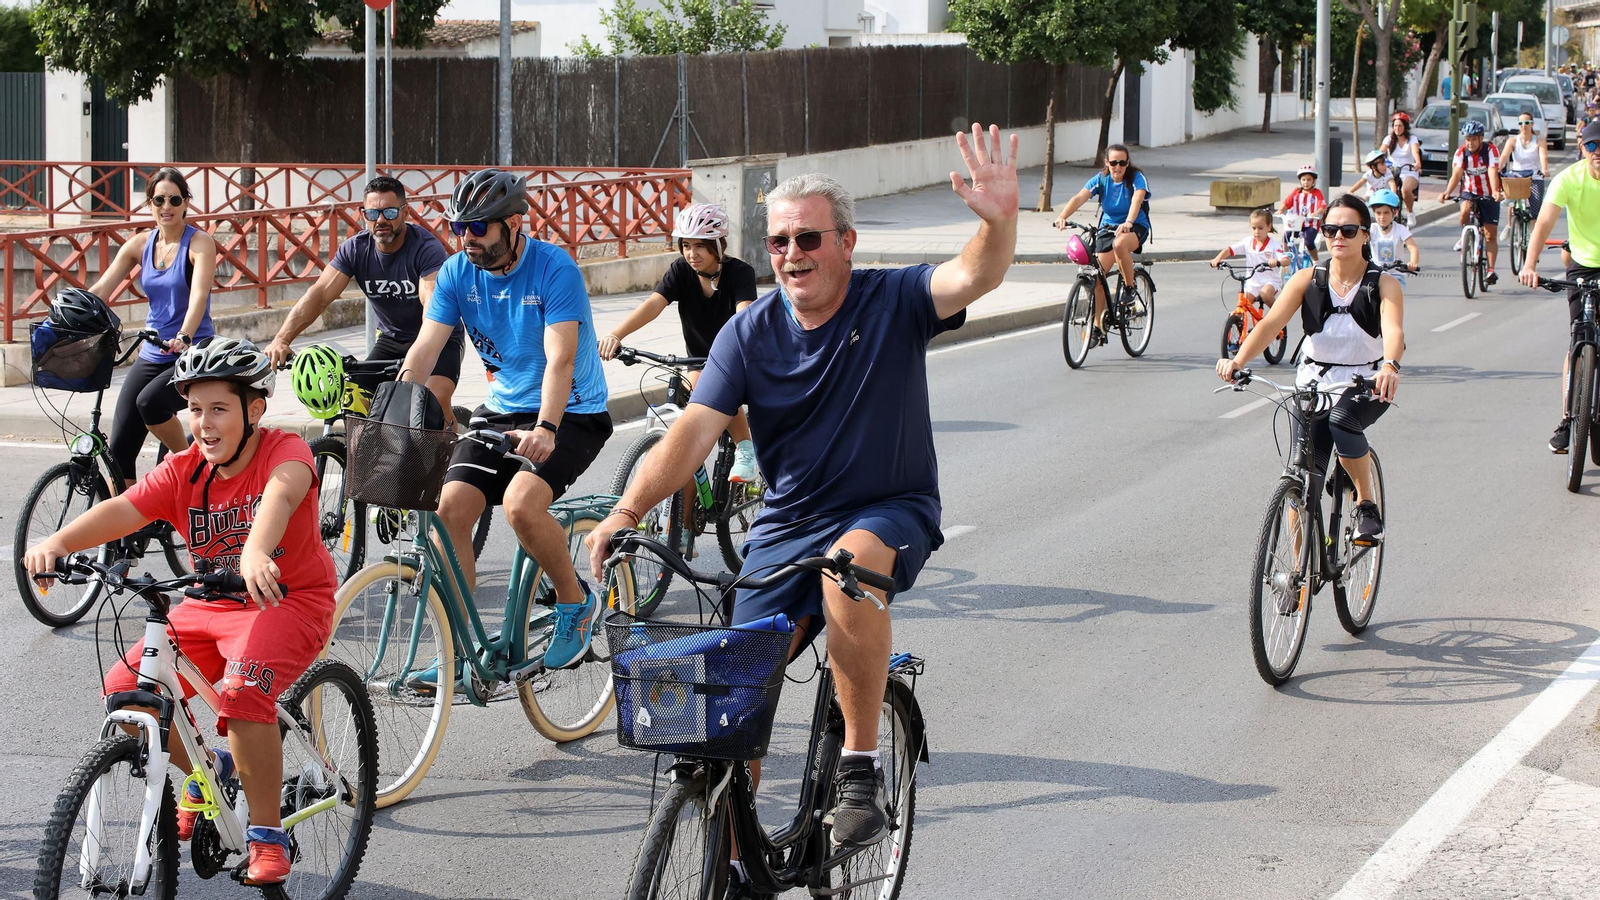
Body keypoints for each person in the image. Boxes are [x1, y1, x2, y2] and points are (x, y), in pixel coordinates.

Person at [589, 124, 1017, 882]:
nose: (793, 254)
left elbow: (972, 278)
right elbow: (689, 436)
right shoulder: (748, 333)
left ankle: (859, 769)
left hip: (891, 505)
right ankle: (734, 860)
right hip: (787, 525)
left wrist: (998, 221)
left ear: (846, 242)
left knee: (848, 568)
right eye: (781, 241)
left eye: (810, 238)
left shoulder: (892, 299)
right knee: (723, 708)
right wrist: (627, 513)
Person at [23, 337, 336, 885]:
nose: (204, 424)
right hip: (209, 601)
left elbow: (279, 500)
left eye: (219, 409)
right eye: (194, 410)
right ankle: (206, 769)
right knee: (129, 694)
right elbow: (125, 508)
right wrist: (60, 541)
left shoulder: (285, 453)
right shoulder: (186, 468)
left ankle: (266, 834)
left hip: (286, 600)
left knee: (241, 698)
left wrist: (257, 551)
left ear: (254, 409)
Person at [401, 168, 611, 670]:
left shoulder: (554, 269)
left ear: (514, 223)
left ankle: (574, 602)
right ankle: (456, 647)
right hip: (503, 408)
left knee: (521, 504)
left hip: (571, 411)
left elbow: (560, 359)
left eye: (478, 228)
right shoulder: (456, 273)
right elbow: (426, 348)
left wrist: (546, 429)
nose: (466, 239)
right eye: (458, 228)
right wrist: (398, 409)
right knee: (448, 509)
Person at [1216, 194, 1405, 544]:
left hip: (1367, 382)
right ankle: (1295, 583)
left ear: (1366, 235)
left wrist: (1390, 366)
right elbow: (1271, 323)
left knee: (1342, 421)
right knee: (1302, 478)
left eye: (1348, 230)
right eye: (1330, 229)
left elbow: (1393, 330)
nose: (1338, 237)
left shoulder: (1382, 284)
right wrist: (1238, 361)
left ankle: (1366, 504)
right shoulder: (1307, 279)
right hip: (1314, 384)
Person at [264, 176, 461, 425]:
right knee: (355, 405)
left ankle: (452, 456)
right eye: (372, 213)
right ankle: (360, 461)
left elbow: (430, 302)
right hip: (391, 340)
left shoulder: (425, 248)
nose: (381, 220)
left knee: (431, 402)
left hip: (437, 339)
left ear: (405, 212)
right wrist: (281, 339)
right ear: (362, 214)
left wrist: (418, 359)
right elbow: (319, 294)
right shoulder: (355, 249)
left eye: (389, 212)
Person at [596, 202, 758, 482]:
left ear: (718, 246)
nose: (691, 254)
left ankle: (746, 447)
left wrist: (730, 354)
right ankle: (682, 522)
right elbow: (653, 305)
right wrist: (616, 335)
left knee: (715, 384)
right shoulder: (681, 271)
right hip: (696, 359)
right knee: (684, 435)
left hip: (736, 356)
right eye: (686, 245)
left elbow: (743, 318)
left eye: (700, 246)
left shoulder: (740, 273)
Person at [89, 167, 216, 489]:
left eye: (175, 199)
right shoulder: (139, 244)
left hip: (191, 351)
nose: (167, 206)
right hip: (152, 351)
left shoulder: (200, 244)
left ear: (186, 202)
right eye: (159, 199)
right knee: (119, 449)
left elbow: (199, 295)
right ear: (149, 203)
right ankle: (128, 530)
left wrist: (184, 336)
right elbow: (101, 290)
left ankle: (191, 460)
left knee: (151, 403)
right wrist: (66, 314)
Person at [1519, 120, 1600, 453]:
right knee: (1578, 338)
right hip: (1581, 265)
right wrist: (1529, 264)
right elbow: (1544, 223)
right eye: (1592, 146)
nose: (1598, 153)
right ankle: (1568, 418)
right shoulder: (1569, 179)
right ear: (1583, 148)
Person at [1052, 143, 1152, 342]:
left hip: (1135, 226)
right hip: (1107, 227)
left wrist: (1129, 222)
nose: (1118, 167)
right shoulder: (1101, 179)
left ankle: (1130, 288)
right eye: (1113, 163)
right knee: (1096, 276)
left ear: (1127, 162)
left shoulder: (1136, 178)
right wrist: (1062, 216)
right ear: (1107, 163)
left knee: (1119, 245)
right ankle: (1098, 327)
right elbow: (1080, 197)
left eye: (1122, 162)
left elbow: (1137, 200)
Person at [1439, 119, 1504, 285]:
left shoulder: (1491, 150)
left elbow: (1492, 172)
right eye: (1467, 139)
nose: (1470, 143)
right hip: (1469, 191)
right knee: (1464, 210)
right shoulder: (1461, 153)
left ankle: (1490, 270)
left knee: (1490, 234)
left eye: (1474, 139)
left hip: (1489, 193)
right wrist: (1447, 192)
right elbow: (1456, 175)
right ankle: (1464, 236)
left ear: (1481, 139)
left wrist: (1496, 191)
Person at [1209, 207, 1287, 307]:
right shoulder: (1247, 242)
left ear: (1269, 227)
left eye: (1260, 228)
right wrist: (1217, 259)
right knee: (1242, 303)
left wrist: (1277, 261)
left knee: (1265, 294)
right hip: (1252, 283)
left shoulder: (1273, 245)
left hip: (1270, 282)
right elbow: (1229, 249)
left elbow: (1286, 260)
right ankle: (1239, 319)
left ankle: (1278, 315)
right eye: (1254, 228)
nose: (1257, 231)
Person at [1499, 111, 1550, 223]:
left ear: (1532, 124)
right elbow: (1504, 156)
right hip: (1517, 176)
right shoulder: (1512, 141)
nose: (1524, 126)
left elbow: (1543, 157)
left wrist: (1545, 169)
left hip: (1534, 177)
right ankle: (1510, 225)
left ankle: (1533, 234)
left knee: (1535, 211)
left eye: (1527, 122)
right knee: (1511, 199)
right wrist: (1499, 167)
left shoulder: (1539, 141)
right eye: (1520, 123)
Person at [1367, 189, 1421, 287]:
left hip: (1395, 275)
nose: (1382, 216)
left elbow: (1413, 248)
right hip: (1375, 273)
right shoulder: (1372, 229)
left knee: (1393, 294)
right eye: (1378, 213)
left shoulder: (1400, 229)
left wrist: (1413, 263)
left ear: (1395, 212)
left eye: (1386, 212)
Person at [1282, 164, 1327, 264]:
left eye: (1309, 180)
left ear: (1313, 181)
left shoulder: (1317, 193)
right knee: (1286, 235)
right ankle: (1285, 255)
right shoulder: (1296, 192)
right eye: (1303, 179)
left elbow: (1322, 206)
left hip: (1311, 224)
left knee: (1308, 241)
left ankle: (1316, 260)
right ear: (1300, 180)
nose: (1306, 182)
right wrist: (1280, 211)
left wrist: (1315, 213)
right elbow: (1287, 203)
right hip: (1296, 223)